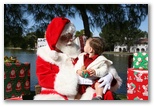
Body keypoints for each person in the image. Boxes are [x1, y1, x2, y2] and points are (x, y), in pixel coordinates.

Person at [34, 17, 122, 100]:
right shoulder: (45, 55)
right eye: (65, 37)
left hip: (83, 90)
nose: (70, 40)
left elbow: (97, 61)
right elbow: (44, 79)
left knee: (105, 94)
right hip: (57, 92)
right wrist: (75, 79)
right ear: (55, 37)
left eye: (71, 36)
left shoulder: (77, 50)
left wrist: (109, 75)